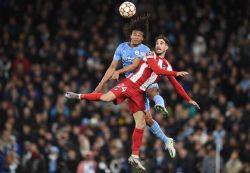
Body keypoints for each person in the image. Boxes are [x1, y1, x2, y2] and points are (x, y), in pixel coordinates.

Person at [65, 35, 199, 171]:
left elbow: (176, 85)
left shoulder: (167, 65)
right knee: (106, 98)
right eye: (157, 43)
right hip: (130, 84)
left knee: (141, 123)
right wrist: (176, 73)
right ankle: (80, 96)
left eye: (161, 43)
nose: (158, 45)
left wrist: (188, 99)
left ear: (166, 47)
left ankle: (135, 156)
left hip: (140, 93)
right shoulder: (150, 56)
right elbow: (157, 70)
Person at [94, 15, 175, 157]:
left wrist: (119, 71)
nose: (136, 37)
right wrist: (100, 85)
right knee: (148, 119)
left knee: (152, 91)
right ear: (130, 35)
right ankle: (166, 139)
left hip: (144, 82)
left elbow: (136, 65)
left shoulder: (145, 50)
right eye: (134, 34)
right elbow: (112, 67)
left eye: (139, 35)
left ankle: (161, 104)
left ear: (143, 38)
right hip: (131, 86)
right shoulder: (121, 47)